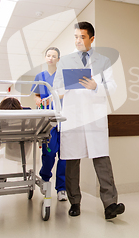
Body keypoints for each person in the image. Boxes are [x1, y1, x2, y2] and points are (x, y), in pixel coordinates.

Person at [53, 21, 125, 220]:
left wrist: (95, 86)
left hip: (94, 116)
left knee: (101, 158)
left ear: (91, 39)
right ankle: (74, 202)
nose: (78, 40)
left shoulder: (103, 60)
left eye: (82, 37)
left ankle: (110, 204)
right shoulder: (65, 61)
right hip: (74, 116)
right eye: (76, 37)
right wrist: (65, 87)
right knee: (72, 161)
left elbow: (112, 87)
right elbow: (56, 89)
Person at [32, 47, 67, 201]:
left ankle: (61, 188)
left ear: (58, 59)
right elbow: (37, 95)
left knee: (65, 156)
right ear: (45, 58)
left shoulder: (64, 76)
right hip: (48, 120)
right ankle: (45, 178)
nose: (51, 58)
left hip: (64, 119)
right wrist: (38, 101)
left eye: (54, 56)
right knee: (50, 152)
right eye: (48, 55)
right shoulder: (40, 76)